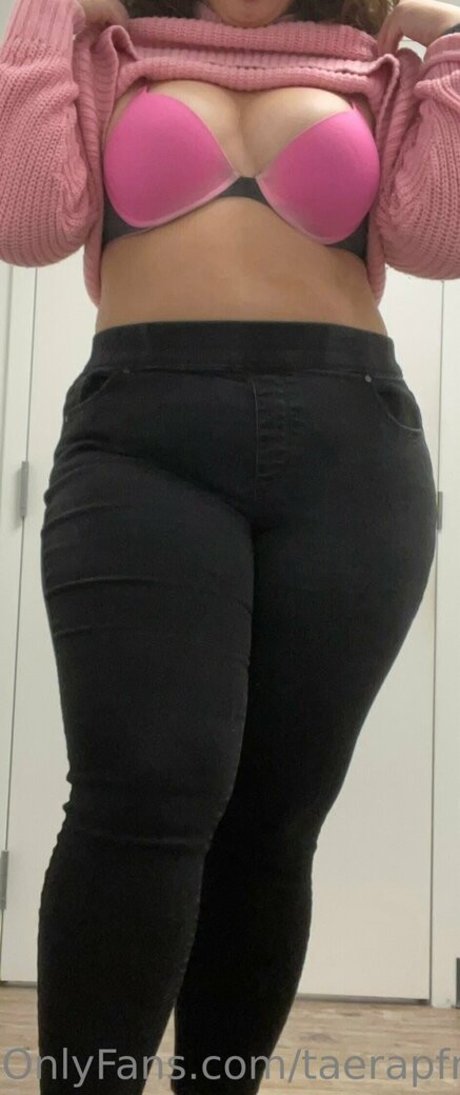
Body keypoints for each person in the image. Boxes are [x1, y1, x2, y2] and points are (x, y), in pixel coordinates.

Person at [3, 0, 460, 1091]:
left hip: (351, 452)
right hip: (142, 440)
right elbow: (27, 217)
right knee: (137, 801)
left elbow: (440, 239)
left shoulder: (373, 67)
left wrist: (438, 32)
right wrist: (52, 12)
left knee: (273, 824)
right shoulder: (114, 51)